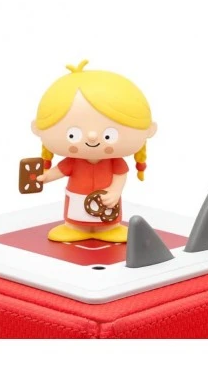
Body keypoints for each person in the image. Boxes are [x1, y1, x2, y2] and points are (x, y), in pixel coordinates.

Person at [31, 60, 157, 242]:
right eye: (73, 134)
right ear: (37, 128)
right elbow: (58, 171)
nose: (91, 136)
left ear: (149, 130)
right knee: (76, 216)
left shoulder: (115, 162)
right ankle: (74, 227)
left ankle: (110, 228)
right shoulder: (72, 161)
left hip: (106, 206)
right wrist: (44, 177)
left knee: (108, 220)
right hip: (76, 202)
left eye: (109, 135)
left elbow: (120, 177)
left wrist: (114, 192)